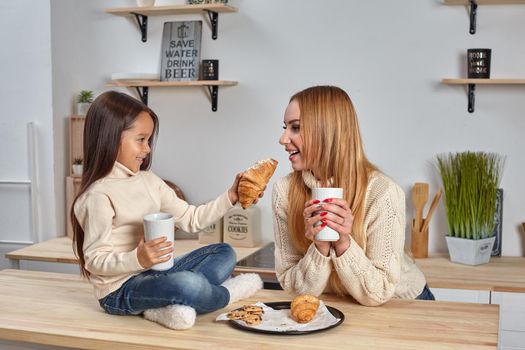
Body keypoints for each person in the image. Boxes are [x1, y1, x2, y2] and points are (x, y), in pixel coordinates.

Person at [71, 91, 263, 330]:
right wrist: (137, 258)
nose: (148, 149)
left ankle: (163, 305)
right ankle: (225, 295)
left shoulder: (148, 180)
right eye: (140, 139)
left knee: (224, 252)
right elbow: (94, 261)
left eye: (149, 140)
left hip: (156, 273)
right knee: (189, 284)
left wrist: (231, 197)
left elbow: (192, 219)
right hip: (120, 290)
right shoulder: (98, 195)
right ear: (110, 137)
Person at [272, 85, 434, 306]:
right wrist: (319, 248)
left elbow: (379, 292)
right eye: (285, 127)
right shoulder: (284, 191)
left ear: (327, 133)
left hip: (401, 305)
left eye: (296, 128)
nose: (283, 139)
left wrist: (343, 243)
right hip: (336, 306)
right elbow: (292, 288)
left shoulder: (382, 192)